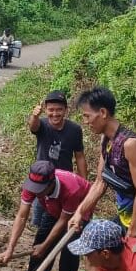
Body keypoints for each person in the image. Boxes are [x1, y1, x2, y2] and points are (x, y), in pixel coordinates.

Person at [68, 87, 136, 237]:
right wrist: (79, 212)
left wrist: (133, 231)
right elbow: (100, 182)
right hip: (125, 218)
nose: (85, 122)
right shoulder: (106, 141)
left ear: (103, 113)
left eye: (87, 116)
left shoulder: (130, 144)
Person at [0, 161, 90, 271]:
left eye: (39, 189)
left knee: (69, 250)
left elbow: (63, 220)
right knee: (40, 239)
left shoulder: (72, 189)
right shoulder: (31, 185)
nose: (35, 191)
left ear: (51, 183)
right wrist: (10, 248)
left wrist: (45, 247)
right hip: (53, 207)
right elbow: (22, 216)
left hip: (80, 208)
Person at [28, 91, 87, 226]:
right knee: (37, 220)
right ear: (45, 110)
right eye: (51, 110)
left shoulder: (74, 129)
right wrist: (34, 116)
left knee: (61, 220)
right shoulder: (42, 124)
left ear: (66, 110)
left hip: (64, 184)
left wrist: (84, 183)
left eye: (59, 109)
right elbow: (33, 127)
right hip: (42, 181)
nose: (55, 114)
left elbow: (80, 157)